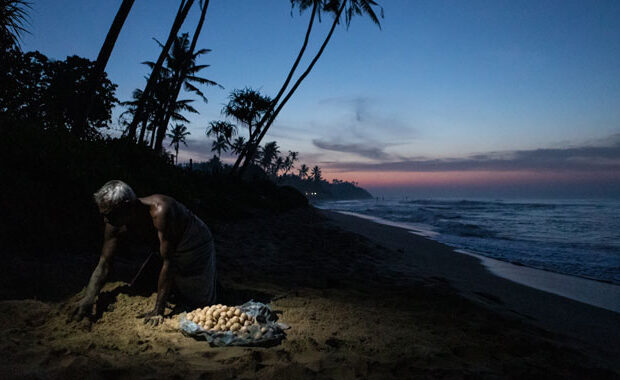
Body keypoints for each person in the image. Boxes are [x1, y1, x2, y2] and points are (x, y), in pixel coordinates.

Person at [72, 180, 217, 326]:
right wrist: (89, 297)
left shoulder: (161, 211)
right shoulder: (113, 221)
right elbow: (104, 263)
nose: (105, 220)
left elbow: (169, 262)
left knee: (199, 302)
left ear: (128, 206)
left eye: (109, 214)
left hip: (194, 241)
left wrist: (158, 310)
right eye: (103, 214)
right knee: (144, 286)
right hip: (164, 248)